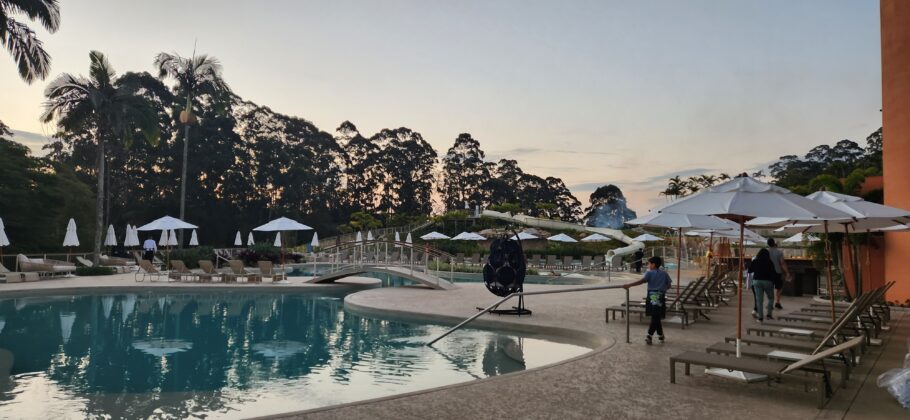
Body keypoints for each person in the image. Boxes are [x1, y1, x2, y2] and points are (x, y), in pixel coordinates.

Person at [623, 256, 672, 345]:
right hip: (661, 297)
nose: (648, 265)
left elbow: (641, 281)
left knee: (655, 317)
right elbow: (669, 285)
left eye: (649, 263)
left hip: (651, 297)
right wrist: (661, 289)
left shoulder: (649, 273)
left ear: (653, 265)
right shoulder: (664, 273)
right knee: (656, 317)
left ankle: (649, 336)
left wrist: (629, 285)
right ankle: (660, 336)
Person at [748, 248, 777, 322]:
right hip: (768, 281)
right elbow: (773, 273)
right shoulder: (770, 262)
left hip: (757, 281)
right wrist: (774, 282)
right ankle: (769, 315)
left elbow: (750, 270)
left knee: (759, 300)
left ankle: (760, 318)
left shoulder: (755, 261)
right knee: (771, 298)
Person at [767, 238, 790, 309]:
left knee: (769, 288)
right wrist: (787, 272)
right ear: (774, 243)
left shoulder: (766, 252)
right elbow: (782, 263)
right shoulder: (779, 252)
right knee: (779, 288)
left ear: (768, 244)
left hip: (768, 273)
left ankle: (769, 303)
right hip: (777, 272)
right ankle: (777, 302)